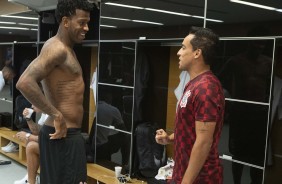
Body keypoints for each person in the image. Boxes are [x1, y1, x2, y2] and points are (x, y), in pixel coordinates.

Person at [16, 0, 94, 183]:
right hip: (63, 135)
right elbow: (24, 82)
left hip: (66, 135)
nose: (86, 28)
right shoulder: (57, 48)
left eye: (87, 22)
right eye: (82, 22)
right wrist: (56, 115)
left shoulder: (66, 50)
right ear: (66, 22)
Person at [155, 26, 225, 184]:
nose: (179, 52)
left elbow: (204, 142)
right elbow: (190, 131)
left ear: (197, 53)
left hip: (201, 179)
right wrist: (169, 138)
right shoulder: (194, 84)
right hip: (183, 174)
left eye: (183, 47)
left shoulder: (207, 88)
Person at [14, 105, 48, 184]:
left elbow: (48, 139)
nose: (32, 106)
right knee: (29, 142)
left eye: (34, 103)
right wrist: (28, 118)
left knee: (31, 146)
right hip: (51, 145)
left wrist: (27, 135)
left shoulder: (51, 114)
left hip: (60, 147)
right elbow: (37, 132)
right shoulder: (44, 113)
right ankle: (30, 178)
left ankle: (31, 180)